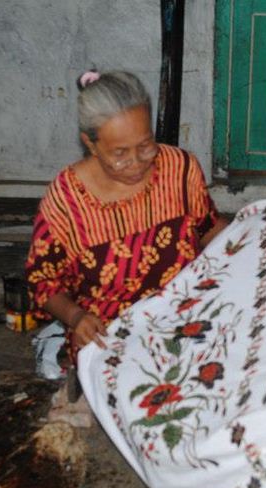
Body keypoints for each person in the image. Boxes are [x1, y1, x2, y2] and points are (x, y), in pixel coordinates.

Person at [26, 70, 228, 364]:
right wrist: (76, 317)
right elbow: (43, 282)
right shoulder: (66, 200)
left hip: (182, 318)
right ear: (90, 144)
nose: (136, 163)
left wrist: (257, 239)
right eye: (120, 153)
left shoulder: (179, 169)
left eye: (146, 146)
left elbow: (208, 228)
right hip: (109, 334)